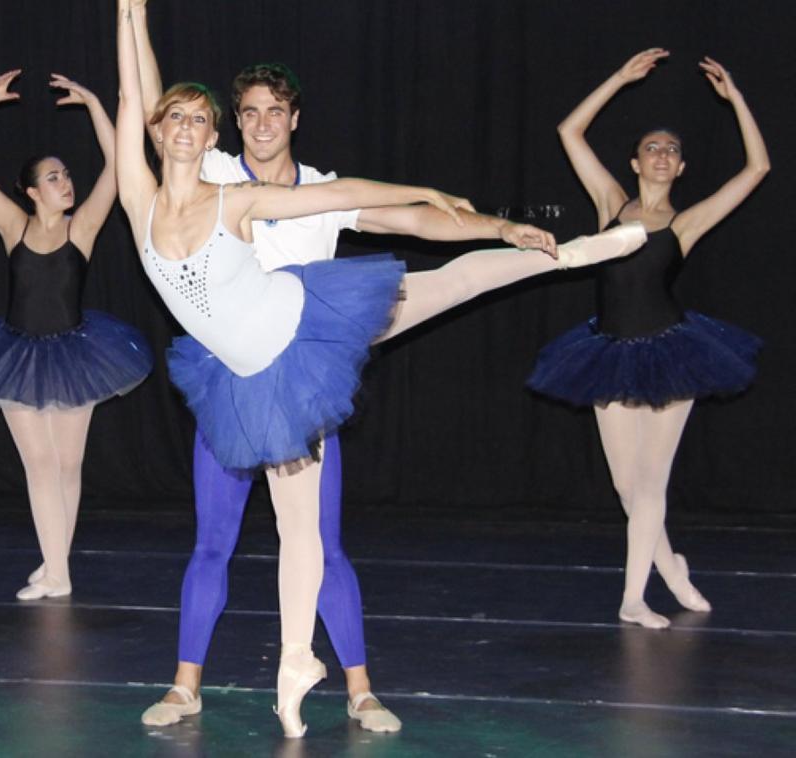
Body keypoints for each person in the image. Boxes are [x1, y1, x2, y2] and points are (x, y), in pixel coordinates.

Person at [115, 0, 645, 737]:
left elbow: (404, 218)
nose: (261, 123)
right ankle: (190, 686)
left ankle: (357, 688)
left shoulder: (288, 189)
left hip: (315, 344)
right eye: (249, 112)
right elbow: (145, 101)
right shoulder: (207, 169)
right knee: (218, 540)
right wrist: (132, 17)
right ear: (227, 123)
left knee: (322, 532)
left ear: (293, 119)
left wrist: (494, 223)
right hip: (235, 379)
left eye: (275, 111)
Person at [527, 49, 768, 629]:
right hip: (608, 352)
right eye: (653, 147)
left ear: (680, 169)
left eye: (673, 150)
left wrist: (735, 99)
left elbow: (757, 168)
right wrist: (618, 78)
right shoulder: (612, 204)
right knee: (626, 486)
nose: (663, 154)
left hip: (671, 352)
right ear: (636, 162)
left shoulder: (686, 223)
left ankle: (633, 598)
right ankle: (673, 567)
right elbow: (569, 131)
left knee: (652, 481)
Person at [0, 71, 152, 601]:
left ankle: (57, 567)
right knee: (39, 464)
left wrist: (96, 104)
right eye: (53, 178)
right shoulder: (14, 226)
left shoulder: (84, 227)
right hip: (15, 354)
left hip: (77, 352)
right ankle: (56, 570)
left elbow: (118, 167)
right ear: (33, 192)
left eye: (66, 175)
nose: (65, 182)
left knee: (68, 464)